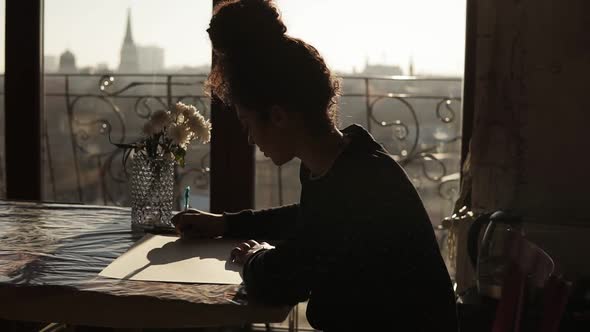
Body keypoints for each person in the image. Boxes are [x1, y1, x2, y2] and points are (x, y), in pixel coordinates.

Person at [172, 0, 458, 330]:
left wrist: (253, 258)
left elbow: (279, 280)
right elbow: (309, 219)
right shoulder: (349, 163)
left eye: (248, 123)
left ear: (278, 116)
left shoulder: (356, 182)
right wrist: (226, 224)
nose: (250, 139)